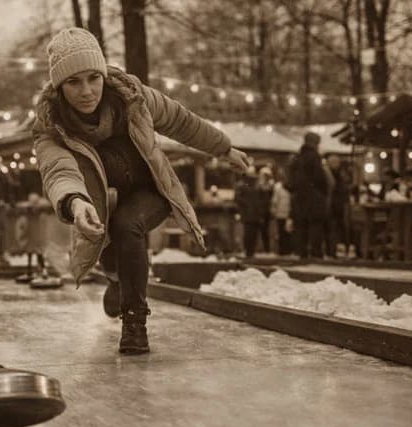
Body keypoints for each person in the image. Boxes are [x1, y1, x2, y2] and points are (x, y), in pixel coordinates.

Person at [32, 28, 249, 354]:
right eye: (74, 82)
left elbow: (182, 122)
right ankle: (119, 281)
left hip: (152, 191)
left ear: (103, 73)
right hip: (100, 204)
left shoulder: (133, 97)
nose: (87, 91)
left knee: (128, 226)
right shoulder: (53, 127)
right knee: (110, 259)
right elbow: (57, 170)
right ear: (59, 87)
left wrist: (224, 148)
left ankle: (135, 322)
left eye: (93, 77)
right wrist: (75, 203)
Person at [286, 132, 328, 259]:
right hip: (314, 197)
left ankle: (302, 253)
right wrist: (322, 192)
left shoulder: (296, 158)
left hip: (299, 198)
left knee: (301, 226)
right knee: (316, 225)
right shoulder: (314, 157)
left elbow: (290, 181)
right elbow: (320, 178)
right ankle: (316, 254)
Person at [270, 168, 292, 256]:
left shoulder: (286, 186)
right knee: (282, 232)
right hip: (281, 212)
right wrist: (274, 209)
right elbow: (275, 200)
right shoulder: (278, 186)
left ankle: (286, 250)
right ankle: (283, 250)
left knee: (285, 232)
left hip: (287, 212)